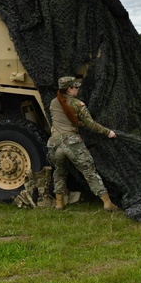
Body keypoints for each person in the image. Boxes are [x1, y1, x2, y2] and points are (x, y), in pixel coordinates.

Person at [48, 76, 117, 211]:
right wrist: (108, 132)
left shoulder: (53, 103)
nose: (78, 90)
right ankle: (107, 203)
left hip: (54, 144)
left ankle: (59, 204)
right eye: (76, 87)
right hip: (72, 143)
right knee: (90, 173)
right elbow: (90, 124)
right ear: (69, 89)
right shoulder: (78, 104)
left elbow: (62, 120)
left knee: (59, 173)